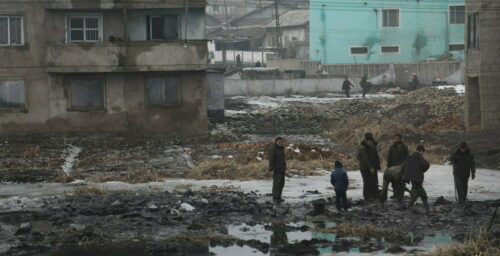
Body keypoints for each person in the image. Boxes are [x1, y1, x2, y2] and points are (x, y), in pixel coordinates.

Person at [402, 145, 431, 212]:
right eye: (423, 152)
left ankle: (427, 208)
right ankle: (409, 206)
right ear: (421, 151)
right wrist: (422, 170)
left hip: (411, 178)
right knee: (416, 193)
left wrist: (407, 174)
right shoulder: (419, 157)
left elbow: (404, 166)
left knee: (421, 192)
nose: (422, 154)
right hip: (418, 178)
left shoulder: (409, 157)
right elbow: (427, 164)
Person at [357, 133, 381, 201]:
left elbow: (375, 157)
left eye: (371, 140)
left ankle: (375, 195)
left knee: (374, 181)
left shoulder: (373, 146)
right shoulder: (362, 147)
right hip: (365, 168)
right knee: (367, 182)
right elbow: (364, 158)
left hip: (373, 167)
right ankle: (367, 196)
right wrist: (370, 167)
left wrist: (376, 166)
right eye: (369, 140)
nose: (370, 142)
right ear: (366, 140)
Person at [387, 134, 409, 199]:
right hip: (393, 167)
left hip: (402, 167)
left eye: (397, 138)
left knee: (402, 181)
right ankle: (395, 194)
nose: (396, 140)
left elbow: (407, 157)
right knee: (394, 181)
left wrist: (406, 166)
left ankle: (401, 194)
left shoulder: (404, 147)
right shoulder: (392, 147)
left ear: (400, 139)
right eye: (395, 138)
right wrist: (389, 167)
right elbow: (389, 158)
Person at [269, 137, 286, 203]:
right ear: (276, 142)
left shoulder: (281, 149)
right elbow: (271, 159)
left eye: (281, 142)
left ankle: (279, 197)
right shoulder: (273, 149)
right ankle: (275, 198)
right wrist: (271, 169)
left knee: (281, 183)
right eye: (279, 142)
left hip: (282, 169)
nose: (280, 143)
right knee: (276, 184)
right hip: (276, 169)